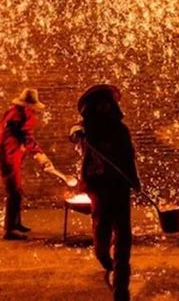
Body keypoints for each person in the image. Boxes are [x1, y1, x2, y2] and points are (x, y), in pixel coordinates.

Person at [70, 83, 140, 301]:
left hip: (119, 187)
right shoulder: (86, 129)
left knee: (123, 236)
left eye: (108, 103)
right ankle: (105, 259)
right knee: (102, 232)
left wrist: (134, 180)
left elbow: (129, 157)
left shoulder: (120, 130)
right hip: (99, 188)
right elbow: (72, 133)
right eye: (101, 103)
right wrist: (77, 133)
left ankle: (121, 287)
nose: (106, 106)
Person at [0, 88, 54, 240]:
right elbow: (27, 138)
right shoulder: (21, 115)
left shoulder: (12, 112)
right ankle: (10, 230)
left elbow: (6, 134)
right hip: (10, 155)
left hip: (9, 153)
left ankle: (16, 223)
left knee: (17, 191)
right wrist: (40, 155)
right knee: (14, 192)